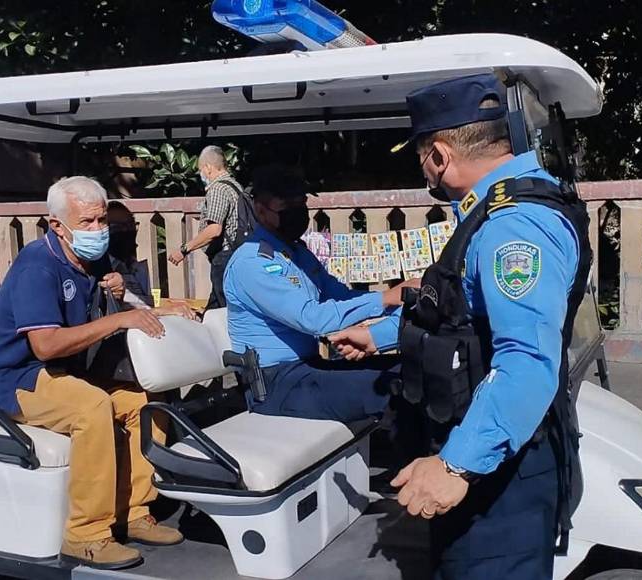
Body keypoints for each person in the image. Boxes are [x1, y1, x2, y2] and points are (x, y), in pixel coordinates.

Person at [330, 74, 591, 579]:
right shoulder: (498, 209)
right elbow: (457, 312)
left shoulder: (512, 226)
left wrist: (454, 467)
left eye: (421, 157)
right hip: (492, 449)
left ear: (439, 156)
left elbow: (525, 361)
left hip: (499, 470)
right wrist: (379, 335)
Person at [0, 176, 183, 570]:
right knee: (93, 407)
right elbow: (46, 346)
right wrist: (119, 321)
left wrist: (154, 309)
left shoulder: (93, 260)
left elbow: (122, 309)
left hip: (70, 373)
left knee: (142, 401)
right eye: (87, 223)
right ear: (58, 225)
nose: (98, 230)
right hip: (18, 379)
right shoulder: (36, 267)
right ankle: (86, 536)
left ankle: (133, 510)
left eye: (101, 220)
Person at [223, 164, 415, 423]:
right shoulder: (251, 262)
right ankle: (418, 462)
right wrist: (386, 297)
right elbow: (311, 318)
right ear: (260, 210)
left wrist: (395, 307)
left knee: (412, 371)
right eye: (286, 206)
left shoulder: (297, 253)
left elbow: (341, 297)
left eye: (300, 203)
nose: (297, 212)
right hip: (276, 384)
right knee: (392, 390)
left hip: (308, 368)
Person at [168, 145, 244, 310]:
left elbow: (214, 229)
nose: (200, 175)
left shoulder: (218, 189)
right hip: (236, 254)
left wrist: (184, 249)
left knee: (224, 311)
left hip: (225, 257)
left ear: (208, 167)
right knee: (214, 308)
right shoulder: (236, 186)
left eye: (200, 169)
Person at [107, 200, 196, 320]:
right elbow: (119, 315)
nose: (126, 231)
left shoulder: (134, 266)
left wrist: (170, 306)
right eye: (119, 227)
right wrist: (163, 311)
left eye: (130, 225)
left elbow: (143, 305)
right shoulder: (105, 270)